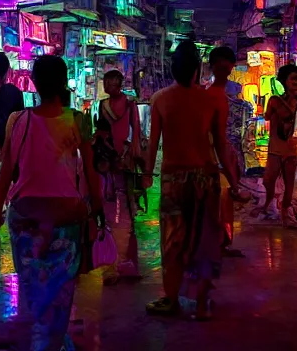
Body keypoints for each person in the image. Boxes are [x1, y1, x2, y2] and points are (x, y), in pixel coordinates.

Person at [0, 55, 103, 351]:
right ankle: (55, 341)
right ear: (64, 83)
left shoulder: (18, 120)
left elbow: (5, 173)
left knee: (35, 288)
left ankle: (44, 339)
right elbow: (91, 172)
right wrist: (98, 210)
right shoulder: (77, 120)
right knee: (62, 290)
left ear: (34, 84)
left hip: (25, 216)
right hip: (67, 218)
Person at [143, 40, 239, 320]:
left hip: (173, 179)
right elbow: (220, 145)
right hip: (205, 178)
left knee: (172, 242)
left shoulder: (160, 99)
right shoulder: (211, 99)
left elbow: (153, 145)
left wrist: (147, 176)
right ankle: (200, 304)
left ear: (172, 68)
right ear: (198, 69)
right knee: (205, 241)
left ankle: (171, 300)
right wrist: (233, 181)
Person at [97, 70, 144, 280]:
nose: (107, 86)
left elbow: (136, 130)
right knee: (114, 207)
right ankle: (118, 260)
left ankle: (126, 260)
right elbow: (102, 130)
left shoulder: (129, 103)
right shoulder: (104, 105)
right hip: (111, 158)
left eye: (110, 83)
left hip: (126, 159)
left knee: (128, 207)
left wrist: (133, 150)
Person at [205, 47, 250, 256]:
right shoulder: (216, 97)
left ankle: (218, 243)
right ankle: (220, 244)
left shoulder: (209, 94)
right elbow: (218, 139)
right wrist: (233, 180)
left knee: (218, 205)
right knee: (222, 204)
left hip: (216, 158)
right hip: (215, 160)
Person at [260, 64, 297, 229]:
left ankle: (286, 211)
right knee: (269, 180)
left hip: (291, 150)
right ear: (284, 81)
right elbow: (267, 117)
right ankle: (269, 202)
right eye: (295, 78)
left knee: (290, 183)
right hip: (275, 149)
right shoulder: (275, 101)